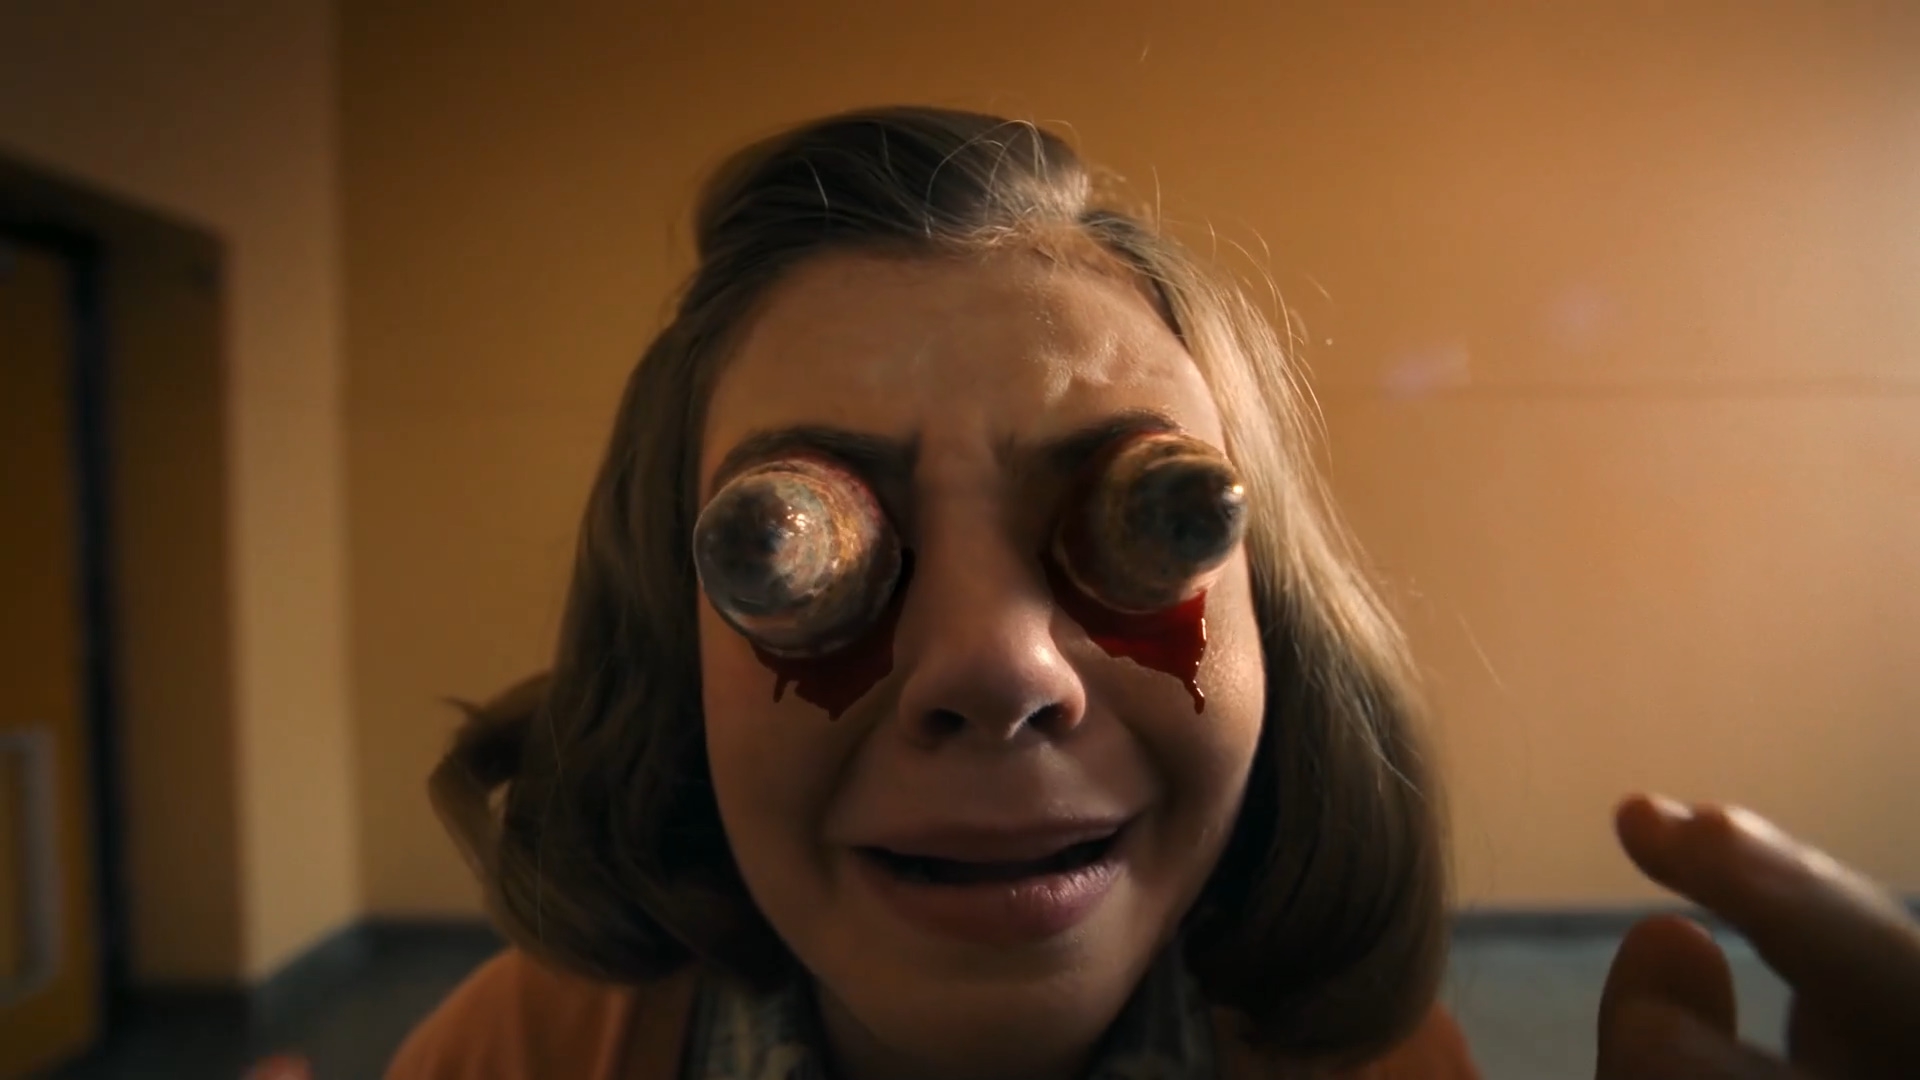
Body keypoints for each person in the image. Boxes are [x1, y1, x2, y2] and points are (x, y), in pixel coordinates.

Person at [387, 106, 1920, 1079]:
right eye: (783, 547)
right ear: (669, 658)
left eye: (1151, 521)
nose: (998, 667)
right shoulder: (527, 1055)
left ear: (1275, 631)